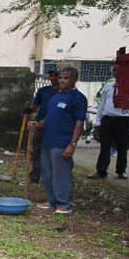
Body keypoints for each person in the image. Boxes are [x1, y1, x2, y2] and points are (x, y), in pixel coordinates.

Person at [30, 66, 87, 215]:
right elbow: (49, 119)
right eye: (61, 77)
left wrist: (72, 144)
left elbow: (79, 124)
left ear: (75, 79)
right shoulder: (55, 97)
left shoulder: (78, 98)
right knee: (47, 173)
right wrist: (36, 124)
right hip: (47, 141)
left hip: (62, 143)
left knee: (61, 174)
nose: (62, 80)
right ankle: (51, 201)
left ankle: (64, 204)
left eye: (66, 78)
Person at [88, 66, 129, 180]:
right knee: (105, 147)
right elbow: (102, 105)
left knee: (122, 147)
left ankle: (121, 171)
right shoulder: (108, 87)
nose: (116, 72)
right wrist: (98, 121)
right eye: (114, 70)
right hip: (108, 119)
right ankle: (101, 171)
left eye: (119, 70)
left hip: (124, 120)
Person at [26, 69, 60, 184]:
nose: (52, 78)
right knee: (36, 152)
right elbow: (35, 107)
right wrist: (29, 110)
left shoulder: (63, 92)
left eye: (55, 75)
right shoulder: (43, 91)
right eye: (51, 75)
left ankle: (51, 178)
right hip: (41, 125)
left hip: (56, 127)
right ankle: (34, 178)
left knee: (53, 153)